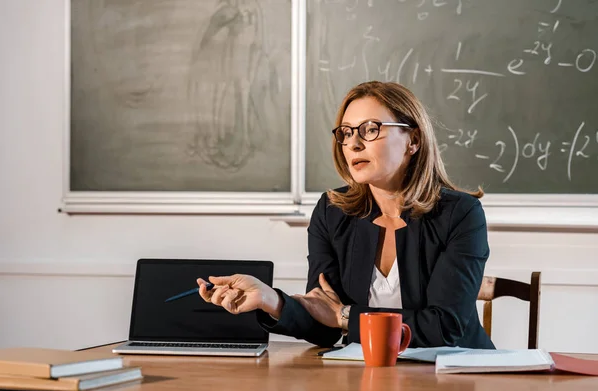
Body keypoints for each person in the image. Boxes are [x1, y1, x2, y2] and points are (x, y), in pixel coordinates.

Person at [197, 81, 495, 350]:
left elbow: (443, 327)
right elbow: (322, 323)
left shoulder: (460, 214)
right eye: (346, 133)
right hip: (367, 376)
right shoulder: (332, 211)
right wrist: (271, 300)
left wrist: (344, 316)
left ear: (412, 140)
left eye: (370, 129)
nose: (353, 144)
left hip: (454, 375)